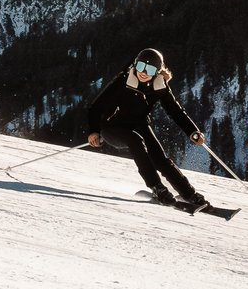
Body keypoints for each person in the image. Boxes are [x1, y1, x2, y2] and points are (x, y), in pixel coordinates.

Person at [85, 48, 212, 211]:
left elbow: (175, 111)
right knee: (136, 141)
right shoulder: (123, 81)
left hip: (139, 124)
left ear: (157, 72)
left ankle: (190, 194)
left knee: (161, 159)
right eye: (140, 67)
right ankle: (157, 187)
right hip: (112, 127)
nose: (144, 72)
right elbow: (95, 107)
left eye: (150, 69)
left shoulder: (160, 86)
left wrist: (192, 132)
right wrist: (93, 130)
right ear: (135, 65)